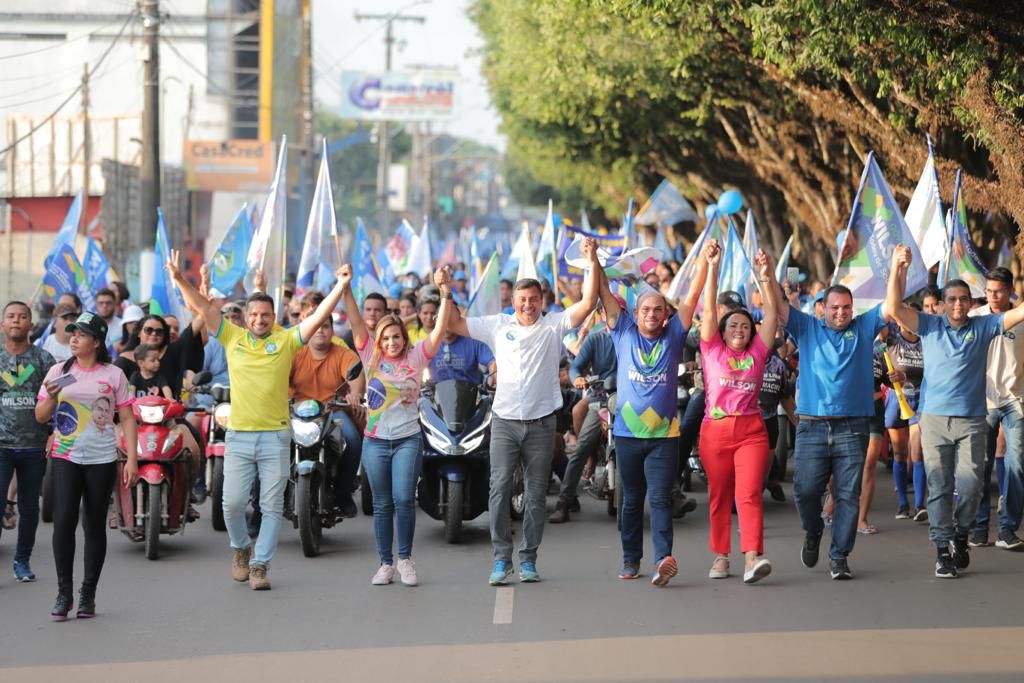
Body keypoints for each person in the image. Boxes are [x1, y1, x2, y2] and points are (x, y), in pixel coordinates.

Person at [166, 249, 350, 591]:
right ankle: (240, 548)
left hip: (276, 437)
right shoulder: (231, 336)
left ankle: (260, 565)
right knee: (232, 504)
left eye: (266, 315)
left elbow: (317, 316)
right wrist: (179, 279)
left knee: (270, 507)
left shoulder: (286, 340)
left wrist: (340, 287)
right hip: (238, 435)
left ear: (273, 316)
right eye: (254, 314)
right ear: (246, 317)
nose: (260, 320)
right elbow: (205, 308)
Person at [447, 238, 601, 585]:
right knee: (499, 488)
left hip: (542, 424)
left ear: (541, 301)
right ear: (512, 302)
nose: (528, 305)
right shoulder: (497, 326)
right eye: (522, 300)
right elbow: (454, 325)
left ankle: (528, 558)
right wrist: (445, 292)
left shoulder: (554, 325)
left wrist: (591, 261)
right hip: (504, 423)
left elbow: (589, 302)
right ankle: (502, 558)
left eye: (533, 300)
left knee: (535, 494)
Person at [886, 246, 1024, 577]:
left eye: (964, 299)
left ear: (971, 302)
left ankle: (960, 535)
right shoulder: (929, 325)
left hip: (973, 422)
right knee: (940, 485)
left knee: (973, 486)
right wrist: (896, 267)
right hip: (934, 421)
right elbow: (892, 307)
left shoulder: (985, 326)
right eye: (952, 299)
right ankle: (941, 550)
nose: (959, 304)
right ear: (945, 303)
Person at [598, 246, 711, 585]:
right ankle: (631, 559)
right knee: (631, 500)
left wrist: (706, 262)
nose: (651, 314)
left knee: (660, 498)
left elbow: (692, 296)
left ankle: (664, 559)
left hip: (663, 436)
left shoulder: (675, 334)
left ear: (666, 315)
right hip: (628, 435)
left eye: (658, 310)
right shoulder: (623, 332)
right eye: (646, 309)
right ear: (635, 311)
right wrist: (593, 262)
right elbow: (604, 293)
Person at [341, 264, 452, 587]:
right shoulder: (370, 357)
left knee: (404, 500)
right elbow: (354, 318)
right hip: (375, 441)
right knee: (382, 504)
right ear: (378, 340)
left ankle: (404, 559)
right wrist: (346, 287)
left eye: (397, 337)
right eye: (386, 338)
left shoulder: (418, 357)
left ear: (405, 338)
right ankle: (385, 563)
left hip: (407, 440)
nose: (392, 342)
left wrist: (444, 291)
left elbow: (441, 325)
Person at [780, 275, 888, 580]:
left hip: (853, 427)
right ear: (822, 309)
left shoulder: (863, 328)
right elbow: (780, 309)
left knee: (847, 496)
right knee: (805, 491)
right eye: (835, 307)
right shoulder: (807, 328)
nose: (841, 312)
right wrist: (766, 277)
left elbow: (891, 306)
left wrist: (897, 268)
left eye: (847, 307)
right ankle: (813, 530)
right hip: (813, 426)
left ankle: (839, 556)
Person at [35, 312, 138, 619]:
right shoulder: (57, 371)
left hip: (102, 459)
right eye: (72, 334)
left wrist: (131, 458)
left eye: (81, 334)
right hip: (66, 457)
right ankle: (64, 592)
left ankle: (87, 594)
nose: (74, 338)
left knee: (93, 525)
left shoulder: (114, 374)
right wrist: (51, 399)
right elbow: (41, 416)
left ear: (96, 341)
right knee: (64, 520)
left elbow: (128, 417)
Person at [699, 246, 780, 583]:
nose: (739, 329)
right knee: (719, 495)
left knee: (748, 494)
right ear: (722, 328)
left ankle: (752, 558)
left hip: (751, 431)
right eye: (733, 324)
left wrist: (765, 277)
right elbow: (707, 309)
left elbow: (773, 316)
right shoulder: (711, 347)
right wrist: (712, 267)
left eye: (746, 325)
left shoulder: (759, 353)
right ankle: (721, 557)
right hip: (714, 430)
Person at [288, 308, 365, 519]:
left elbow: (356, 377)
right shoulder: (294, 352)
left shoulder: (342, 353)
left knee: (353, 441)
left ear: (332, 330)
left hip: (332, 412)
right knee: (276, 444)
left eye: (325, 326)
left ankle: (342, 493)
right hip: (296, 414)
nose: (320, 331)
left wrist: (355, 394)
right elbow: (277, 376)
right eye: (316, 326)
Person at [968, 267, 1024, 550]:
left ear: (1010, 290)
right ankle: (979, 527)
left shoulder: (1021, 319)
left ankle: (1007, 529)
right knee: (981, 465)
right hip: (982, 403)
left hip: (1016, 403)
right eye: (988, 291)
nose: (992, 296)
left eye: (998, 291)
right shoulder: (975, 319)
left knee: (1017, 464)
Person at [0, 301, 56, 583]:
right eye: (10, 316)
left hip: (34, 445)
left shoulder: (45, 361)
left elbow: (60, 401)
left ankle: (22, 561)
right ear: (2, 324)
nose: (16, 321)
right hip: (2, 446)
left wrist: (55, 431)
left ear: (30, 325)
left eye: (22, 317)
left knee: (29, 507)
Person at [550, 305, 617, 524]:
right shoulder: (595, 339)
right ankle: (564, 502)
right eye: (611, 311)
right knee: (581, 449)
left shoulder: (637, 338)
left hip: (634, 403)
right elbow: (575, 366)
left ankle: (671, 496)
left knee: (660, 439)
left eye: (620, 311)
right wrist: (576, 377)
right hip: (602, 400)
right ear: (603, 314)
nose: (615, 315)